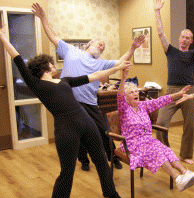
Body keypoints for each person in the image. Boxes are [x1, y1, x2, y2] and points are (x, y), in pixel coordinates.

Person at [0, 24, 132, 198]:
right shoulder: (36, 84)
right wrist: (3, 37)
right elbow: (17, 59)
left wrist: (118, 67)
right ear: (44, 67)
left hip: (84, 120)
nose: (55, 65)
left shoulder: (65, 81)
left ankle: (112, 193)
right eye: (51, 64)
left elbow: (93, 76)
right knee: (67, 170)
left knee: (101, 159)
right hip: (65, 128)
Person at [32, 3, 145, 171]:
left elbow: (121, 62)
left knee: (103, 130)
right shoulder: (71, 51)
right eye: (100, 44)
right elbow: (53, 37)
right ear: (90, 43)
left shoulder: (100, 63)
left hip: (90, 103)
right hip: (70, 102)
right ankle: (84, 160)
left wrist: (133, 47)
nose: (101, 47)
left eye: (103, 48)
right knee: (76, 134)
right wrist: (43, 19)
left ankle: (112, 157)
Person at [153, 0, 194, 164]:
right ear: (179, 38)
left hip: (189, 92)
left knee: (189, 125)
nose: (185, 39)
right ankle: (164, 152)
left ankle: (185, 155)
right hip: (171, 91)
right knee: (161, 122)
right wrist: (156, 12)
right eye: (183, 36)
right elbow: (161, 34)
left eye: (188, 38)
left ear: (191, 41)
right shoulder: (171, 51)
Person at [117, 68, 194, 192]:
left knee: (166, 149)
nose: (135, 94)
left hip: (147, 140)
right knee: (157, 151)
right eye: (131, 92)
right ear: (125, 97)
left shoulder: (142, 106)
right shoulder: (124, 109)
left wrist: (178, 94)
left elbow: (160, 101)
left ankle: (185, 173)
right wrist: (123, 78)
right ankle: (178, 179)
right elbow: (119, 96)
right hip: (132, 143)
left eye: (136, 91)